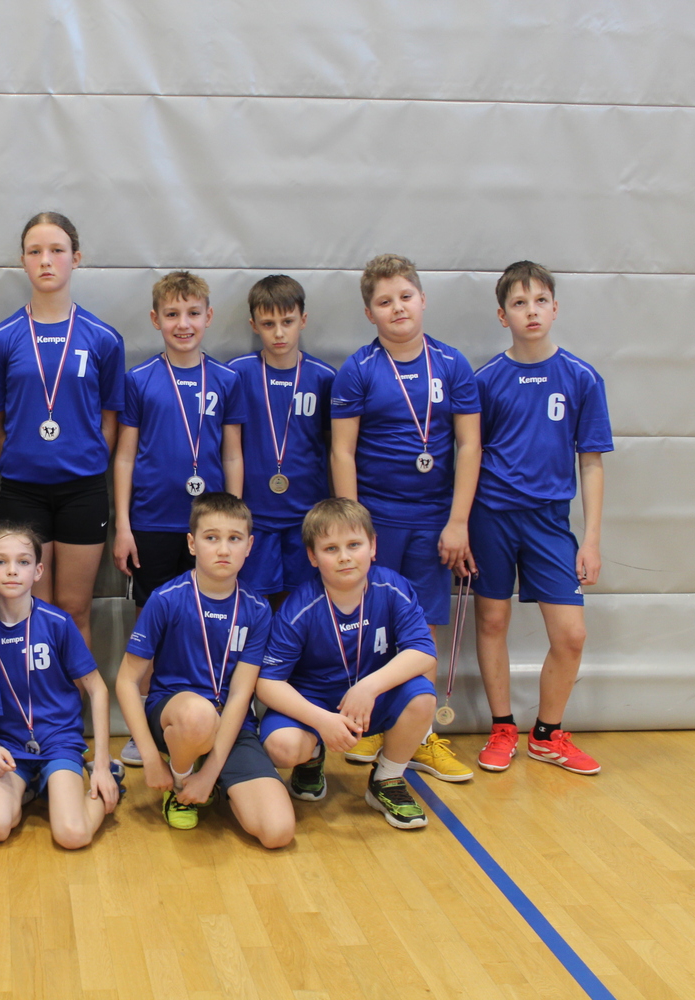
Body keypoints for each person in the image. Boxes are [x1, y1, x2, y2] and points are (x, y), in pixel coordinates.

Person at [330, 253, 477, 782]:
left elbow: (469, 445)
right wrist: (354, 530)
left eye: (405, 297)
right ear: (369, 312)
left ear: (423, 299)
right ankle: (373, 726)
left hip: (435, 519)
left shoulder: (452, 364)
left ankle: (421, 736)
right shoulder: (358, 369)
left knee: (423, 627)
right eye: (384, 301)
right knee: (374, 621)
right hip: (378, 519)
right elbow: (342, 452)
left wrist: (458, 522)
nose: (397, 308)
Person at [470, 262, 612, 775]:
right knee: (493, 620)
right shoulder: (486, 379)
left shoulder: (581, 377)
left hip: (550, 523)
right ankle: (502, 727)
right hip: (491, 517)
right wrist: (460, 525)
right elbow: (468, 456)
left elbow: (590, 462)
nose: (531, 311)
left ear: (555, 308)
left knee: (571, 635)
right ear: (502, 315)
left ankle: (547, 735)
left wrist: (590, 540)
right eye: (519, 303)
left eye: (540, 301)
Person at [112, 272, 246, 767]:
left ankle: (210, 718)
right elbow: (124, 457)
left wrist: (234, 527)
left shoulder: (227, 380)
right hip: (151, 523)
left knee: (205, 623)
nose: (183, 323)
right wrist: (123, 525)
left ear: (209, 317)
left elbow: (232, 454)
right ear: (156, 320)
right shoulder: (139, 380)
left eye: (193, 313)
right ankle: (145, 726)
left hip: (207, 530)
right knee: (150, 624)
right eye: (172, 314)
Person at [0, 212, 126, 648]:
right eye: (35, 251)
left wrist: (86, 460)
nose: (46, 260)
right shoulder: (0, 339)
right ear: (23, 260)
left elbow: (110, 419)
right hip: (23, 491)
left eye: (57, 250)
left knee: (75, 609)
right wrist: (18, 461)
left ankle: (75, 696)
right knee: (31, 610)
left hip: (84, 490)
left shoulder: (103, 338)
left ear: (75, 258)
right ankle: (35, 694)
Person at [114, 492, 293, 846]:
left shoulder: (258, 610)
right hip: (177, 715)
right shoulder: (166, 599)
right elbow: (126, 681)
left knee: (278, 832)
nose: (223, 549)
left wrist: (211, 773)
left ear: (249, 546)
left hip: (231, 724)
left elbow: (241, 694)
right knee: (198, 714)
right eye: (211, 538)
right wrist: (150, 757)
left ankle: (211, 776)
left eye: (234, 539)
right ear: (192, 544)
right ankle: (180, 782)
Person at [257, 498, 439, 830]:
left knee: (422, 695)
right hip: (314, 703)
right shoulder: (299, 608)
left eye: (354, 545)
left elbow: (423, 651)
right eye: (331, 548)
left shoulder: (392, 587)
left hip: (370, 700)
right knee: (281, 748)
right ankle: (311, 757)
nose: (344, 556)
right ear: (313, 556)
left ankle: (386, 779)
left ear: (373, 546)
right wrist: (321, 721)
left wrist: (369, 687)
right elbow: (268, 682)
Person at [0, 524, 123, 849]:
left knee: (72, 835)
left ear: (38, 570)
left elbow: (98, 690)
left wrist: (101, 764)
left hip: (58, 741)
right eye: (0, 562)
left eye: (23, 562)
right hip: (8, 746)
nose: (12, 570)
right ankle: (32, 786)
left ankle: (108, 780)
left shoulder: (58, 623)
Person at [227, 274, 337, 609]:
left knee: (301, 607)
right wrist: (235, 514)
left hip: (307, 516)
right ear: (254, 325)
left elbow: (335, 450)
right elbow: (229, 449)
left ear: (303, 320)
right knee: (253, 607)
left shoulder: (324, 377)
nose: (278, 333)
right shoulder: (236, 374)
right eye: (268, 323)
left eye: (287, 322)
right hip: (255, 515)